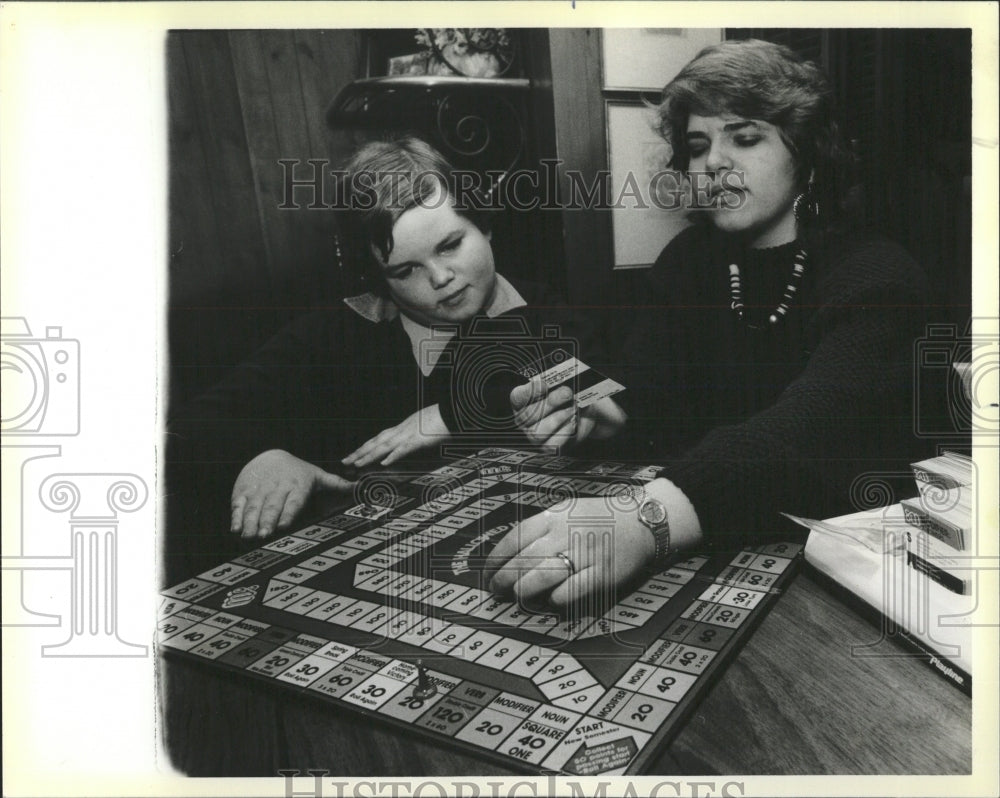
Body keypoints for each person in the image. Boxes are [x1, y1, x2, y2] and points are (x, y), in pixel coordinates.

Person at [486, 39, 930, 609]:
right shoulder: (688, 260)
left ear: (808, 153)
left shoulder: (879, 275)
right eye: (698, 145)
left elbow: (812, 429)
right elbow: (652, 386)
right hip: (725, 547)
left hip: (848, 578)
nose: (713, 162)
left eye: (746, 137)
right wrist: (604, 412)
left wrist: (649, 518)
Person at [164, 137, 597, 579]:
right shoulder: (331, 333)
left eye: (450, 245)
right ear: (379, 279)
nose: (441, 277)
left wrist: (456, 414)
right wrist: (260, 457)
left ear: (484, 226)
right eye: (406, 270)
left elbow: (588, 381)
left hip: (522, 562)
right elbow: (188, 428)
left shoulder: (545, 312)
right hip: (377, 578)